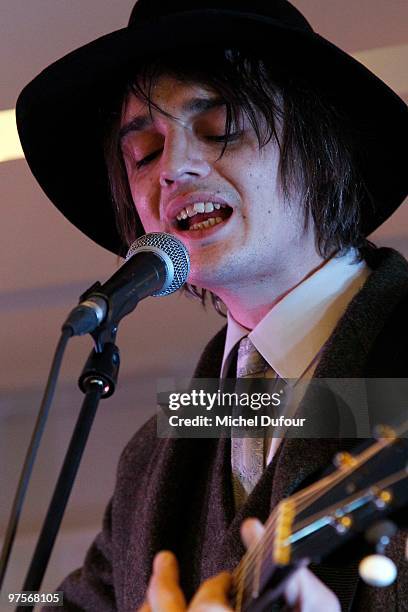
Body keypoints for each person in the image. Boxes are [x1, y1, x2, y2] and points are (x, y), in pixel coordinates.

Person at [16, 1, 408, 610]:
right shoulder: (151, 457)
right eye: (144, 149)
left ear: (321, 145)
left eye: (221, 124)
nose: (172, 168)